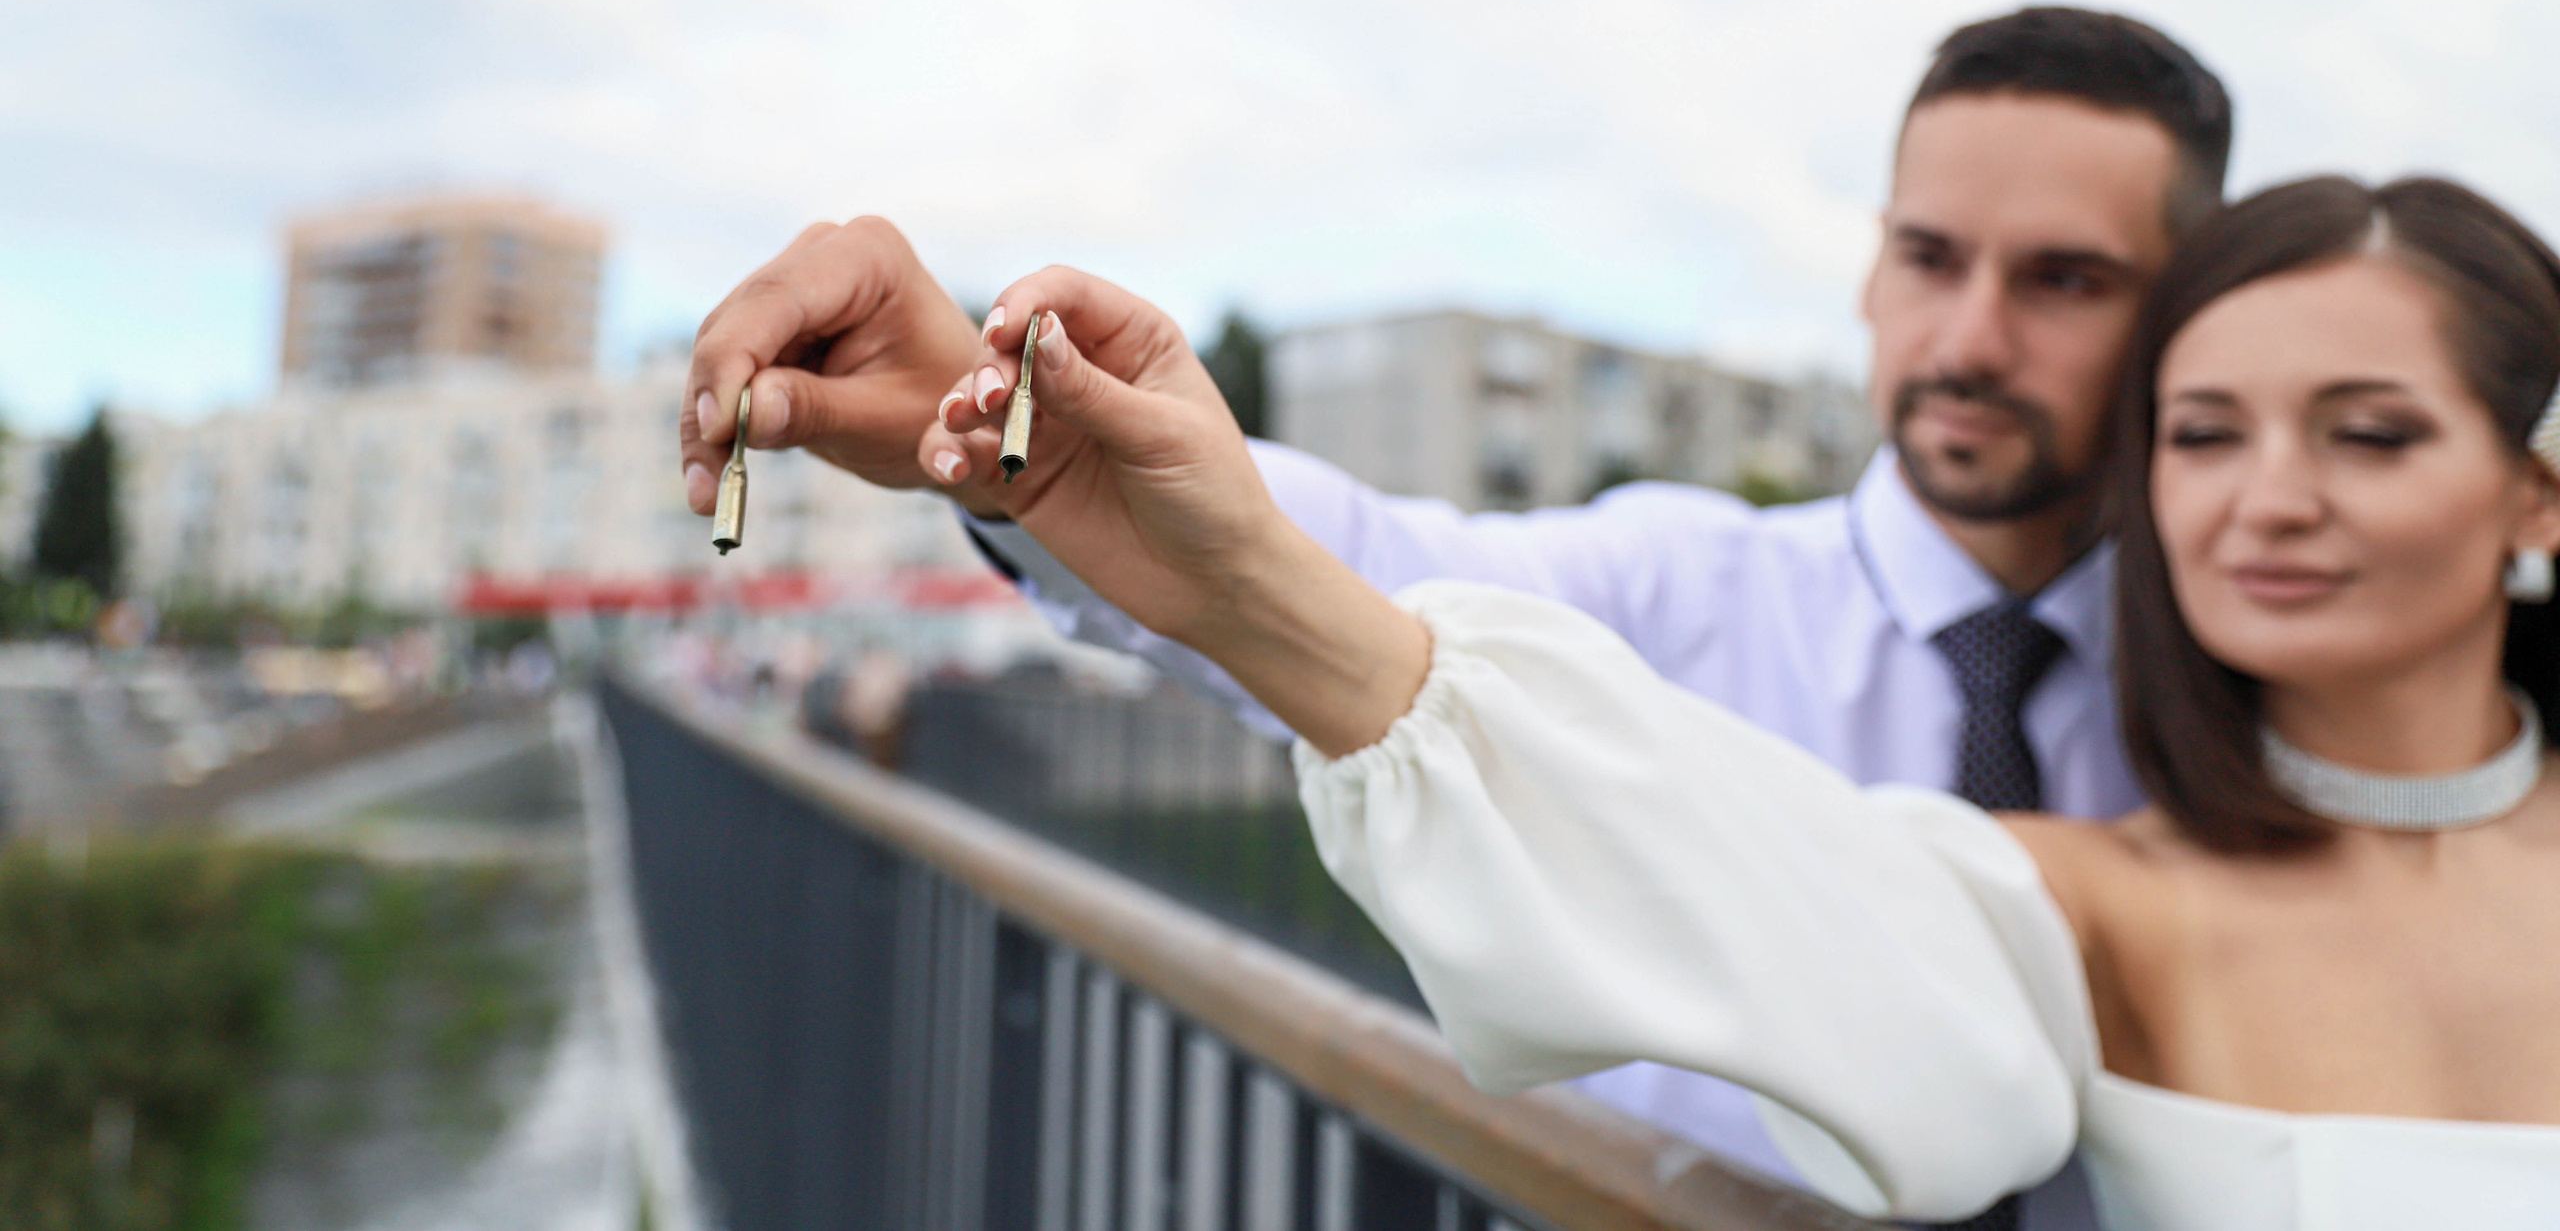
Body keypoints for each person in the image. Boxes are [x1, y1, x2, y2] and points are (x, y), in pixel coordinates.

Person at [681, 4, 2230, 1219]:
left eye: (2065, 281)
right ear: (1871, 273)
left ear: (2187, 316)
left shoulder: (2285, 684)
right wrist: (1021, 432)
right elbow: (1366, 584)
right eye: (1930, 257)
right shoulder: (1678, 594)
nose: (1971, 335)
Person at [922, 174, 2560, 1230]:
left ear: (2536, 493)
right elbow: (1702, 870)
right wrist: (1234, 575)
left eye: (2370, 433)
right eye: (2205, 435)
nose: (2268, 498)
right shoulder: (2084, 901)